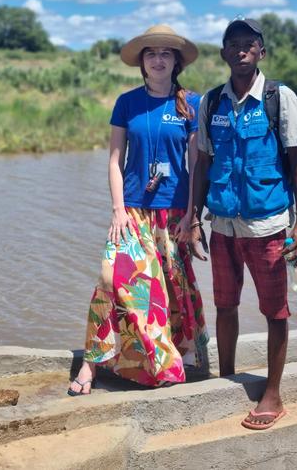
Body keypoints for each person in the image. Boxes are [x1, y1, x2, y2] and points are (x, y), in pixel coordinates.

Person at [68, 25, 209, 396]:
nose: (158, 59)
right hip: (131, 212)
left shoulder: (191, 104)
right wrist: (118, 210)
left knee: (171, 292)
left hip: (174, 213)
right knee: (111, 280)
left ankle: (170, 359)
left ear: (176, 61)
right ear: (142, 62)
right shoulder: (127, 102)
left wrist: (192, 216)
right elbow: (115, 160)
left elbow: (196, 164)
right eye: (151, 54)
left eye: (166, 53)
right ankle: (92, 361)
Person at [190, 17, 297, 429]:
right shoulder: (211, 103)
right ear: (224, 53)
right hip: (222, 226)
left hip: (268, 226)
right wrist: (192, 221)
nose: (240, 50)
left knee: (275, 311)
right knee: (225, 305)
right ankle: (226, 377)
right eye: (233, 44)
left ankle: (272, 393)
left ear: (261, 51)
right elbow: (202, 165)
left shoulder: (281, 99)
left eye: (249, 44)